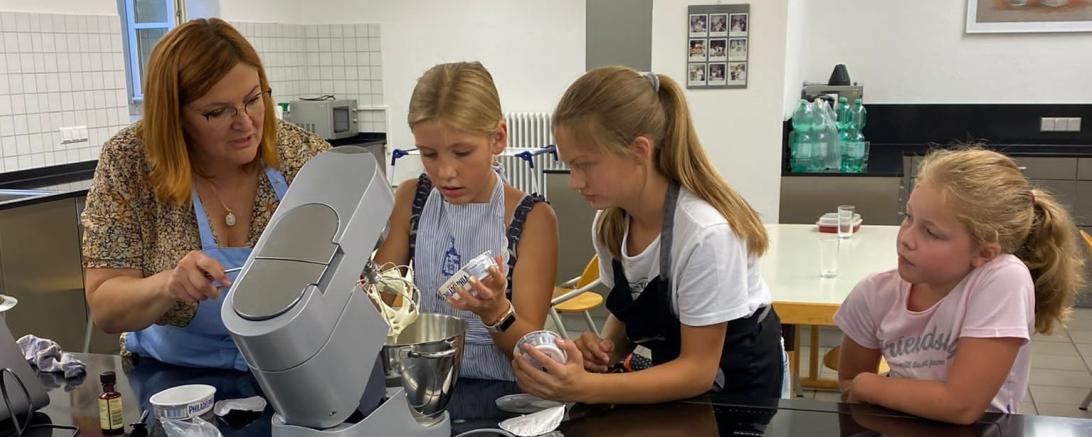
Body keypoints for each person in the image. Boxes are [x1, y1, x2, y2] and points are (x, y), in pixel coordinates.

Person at [513, 66, 786, 404]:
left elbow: (698, 370)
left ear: (639, 151)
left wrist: (585, 387)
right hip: (675, 374)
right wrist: (604, 351)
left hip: (740, 385)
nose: (574, 181)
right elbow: (630, 309)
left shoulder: (705, 235)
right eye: (570, 166)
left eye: (586, 164)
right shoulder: (610, 225)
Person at [81, 18, 330, 370]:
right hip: (172, 379)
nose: (245, 123)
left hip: (291, 367)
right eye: (217, 112)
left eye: (253, 100)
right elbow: (106, 307)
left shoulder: (302, 154)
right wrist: (167, 285)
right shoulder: (130, 162)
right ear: (176, 116)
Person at [835, 148, 1085, 424]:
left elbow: (962, 406)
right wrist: (864, 386)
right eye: (909, 217)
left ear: (984, 253)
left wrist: (867, 385)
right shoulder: (874, 293)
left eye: (930, 232)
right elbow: (848, 385)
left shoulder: (1004, 279)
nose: (905, 238)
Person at [373, 61, 558, 381]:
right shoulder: (411, 199)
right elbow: (381, 301)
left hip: (501, 390)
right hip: (428, 383)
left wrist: (495, 311)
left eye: (462, 153)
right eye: (429, 154)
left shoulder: (532, 219)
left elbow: (529, 349)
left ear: (498, 138)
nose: (446, 172)